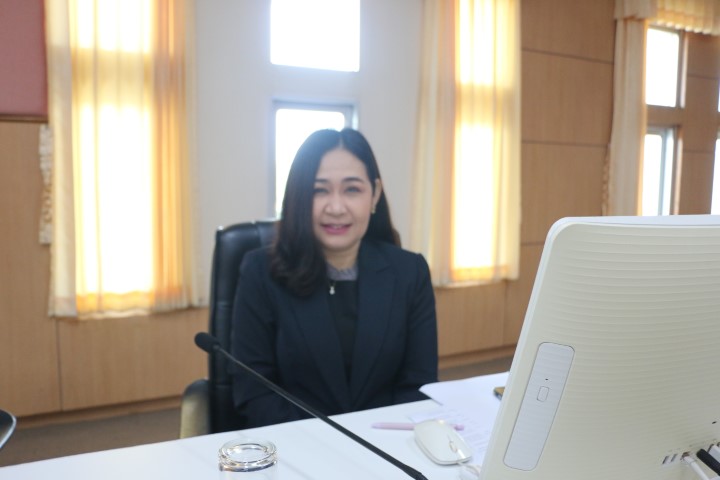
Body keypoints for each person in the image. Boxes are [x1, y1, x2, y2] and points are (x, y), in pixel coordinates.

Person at [231, 128, 438, 428]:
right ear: (299, 197)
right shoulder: (260, 273)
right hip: (293, 446)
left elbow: (418, 386)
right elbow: (255, 394)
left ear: (374, 194)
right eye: (319, 191)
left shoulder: (410, 272)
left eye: (352, 189)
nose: (336, 208)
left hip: (385, 446)